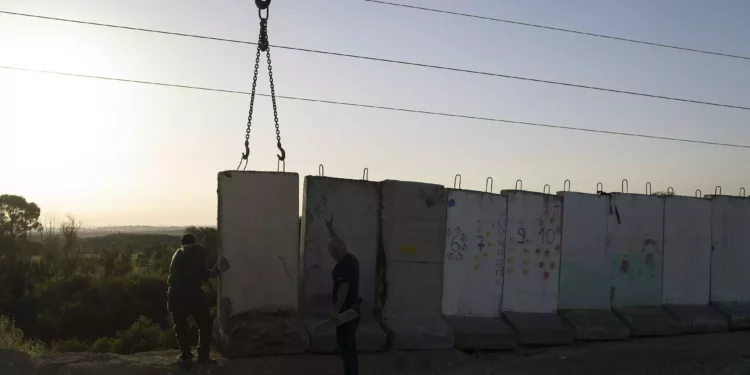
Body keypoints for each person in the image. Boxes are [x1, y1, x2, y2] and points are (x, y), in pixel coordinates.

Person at [167, 233, 219, 368]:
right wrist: (212, 276)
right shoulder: (196, 250)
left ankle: (186, 356)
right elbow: (201, 272)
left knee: (181, 326)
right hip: (193, 293)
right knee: (205, 323)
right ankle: (203, 356)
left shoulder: (177, 254)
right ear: (193, 242)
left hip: (175, 293)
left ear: (181, 243)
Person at [326, 215, 360, 375]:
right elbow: (338, 242)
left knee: (347, 348)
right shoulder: (351, 259)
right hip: (352, 310)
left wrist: (335, 311)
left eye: (331, 252)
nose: (331, 255)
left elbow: (343, 289)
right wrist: (330, 230)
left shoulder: (343, 265)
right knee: (348, 345)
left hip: (346, 311)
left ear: (336, 251)